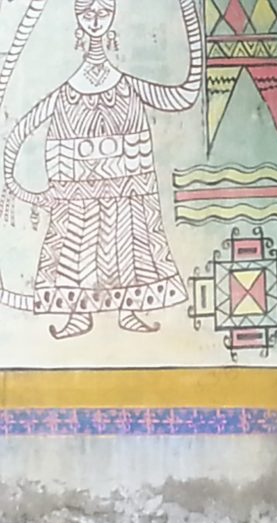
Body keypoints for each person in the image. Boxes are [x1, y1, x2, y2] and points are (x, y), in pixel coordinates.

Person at [0, 0, 202, 337]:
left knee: (132, 234)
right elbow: (20, 130)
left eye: (103, 12)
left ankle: (130, 309)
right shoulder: (64, 94)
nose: (95, 20)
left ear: (113, 17)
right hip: (73, 189)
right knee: (72, 241)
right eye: (87, 12)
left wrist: (192, 25)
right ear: (78, 17)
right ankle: (77, 315)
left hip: (129, 186)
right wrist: (15, 183)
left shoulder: (127, 85)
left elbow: (183, 96)